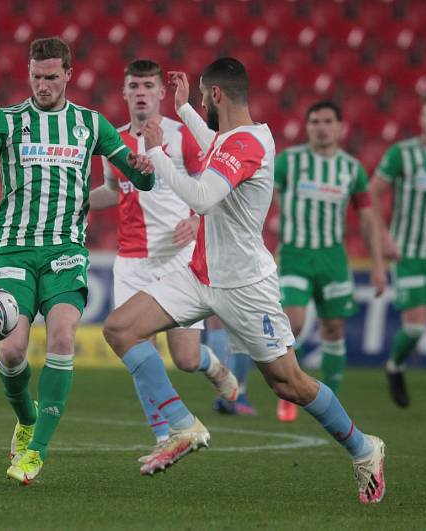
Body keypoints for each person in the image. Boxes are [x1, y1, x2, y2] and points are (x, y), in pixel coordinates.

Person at [102, 58, 386, 504]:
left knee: (288, 382)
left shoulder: (249, 144)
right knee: (119, 328)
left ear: (217, 95)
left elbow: (202, 195)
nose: (198, 101)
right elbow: (216, 145)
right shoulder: (235, 138)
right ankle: (181, 425)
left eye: (200, 96)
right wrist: (185, 112)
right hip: (198, 274)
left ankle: (364, 447)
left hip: (245, 287)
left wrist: (157, 150)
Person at [0, 37, 154, 485]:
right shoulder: (9, 120)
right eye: (36, 76)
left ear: (69, 74)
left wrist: (145, 164)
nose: (43, 84)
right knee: (10, 351)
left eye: (51, 77)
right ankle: (25, 419)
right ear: (28, 74)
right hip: (13, 249)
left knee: (63, 339)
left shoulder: (90, 124)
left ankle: (35, 452)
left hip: (66, 250)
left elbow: (139, 179)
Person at [88, 58, 238, 448]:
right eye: (133, 86)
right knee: (136, 348)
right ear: (124, 93)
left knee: (185, 359)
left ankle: (213, 365)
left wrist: (197, 220)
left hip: (178, 258)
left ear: (160, 92)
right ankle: (163, 435)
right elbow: (110, 190)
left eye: (147, 86)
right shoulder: (113, 140)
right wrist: (75, 201)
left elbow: (215, 187)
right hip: (132, 261)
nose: (140, 93)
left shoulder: (182, 135)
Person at [273, 101, 386, 422]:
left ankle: (329, 401)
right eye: (314, 121)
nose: (320, 127)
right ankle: (291, 392)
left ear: (339, 127)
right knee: (291, 324)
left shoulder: (352, 169)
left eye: (326, 121)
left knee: (334, 329)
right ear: (307, 127)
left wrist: (378, 264)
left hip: (333, 257)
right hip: (295, 254)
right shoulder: (289, 161)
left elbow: (366, 218)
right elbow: (268, 196)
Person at [370, 95, 426, 408]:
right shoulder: (403, 154)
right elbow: (373, 192)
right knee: (416, 327)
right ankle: (394, 365)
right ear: (420, 119)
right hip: (410, 254)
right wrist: (384, 237)